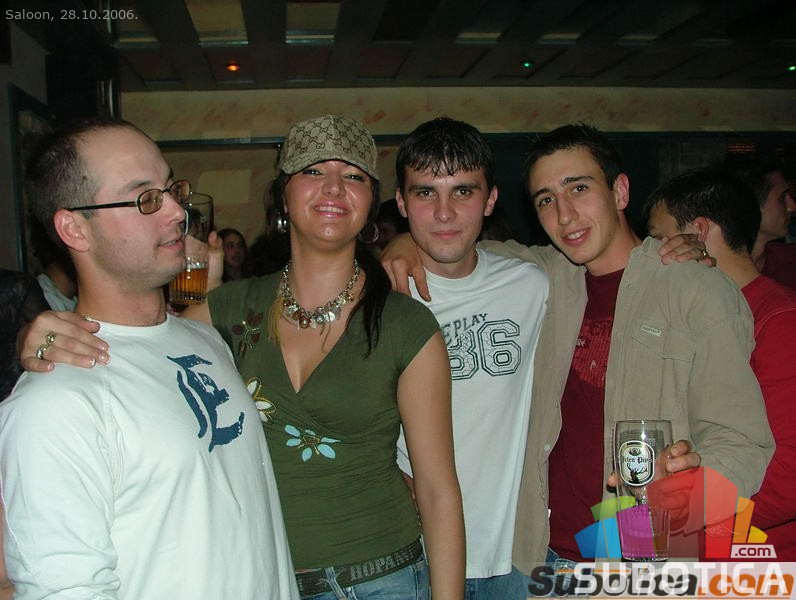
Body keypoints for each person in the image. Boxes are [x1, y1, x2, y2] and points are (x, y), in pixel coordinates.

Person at [20, 115, 465, 599]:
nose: (335, 187)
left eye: (354, 176)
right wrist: (39, 332)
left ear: (372, 203)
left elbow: (438, 490)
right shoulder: (225, 315)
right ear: (283, 197)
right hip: (270, 578)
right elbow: (140, 341)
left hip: (383, 577)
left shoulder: (402, 322)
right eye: (313, 171)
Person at [383, 124, 772, 594]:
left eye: (579, 189)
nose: (565, 215)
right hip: (537, 559)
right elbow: (457, 246)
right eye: (546, 200)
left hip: (635, 566)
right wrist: (401, 244)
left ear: (620, 191)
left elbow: (743, 443)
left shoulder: (695, 289)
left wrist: (684, 501)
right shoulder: (548, 276)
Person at [1, 118, 298, 599]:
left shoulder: (205, 340)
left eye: (172, 189)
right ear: (74, 228)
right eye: (145, 199)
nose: (178, 212)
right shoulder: (54, 400)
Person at [393, 117, 548, 598]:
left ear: (491, 199)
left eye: (462, 191)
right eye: (425, 193)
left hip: (516, 558)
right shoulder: (378, 301)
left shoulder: (532, 286)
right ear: (401, 203)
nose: (444, 213)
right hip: (410, 557)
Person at [646, 165, 796, 560]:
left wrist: (671, 522)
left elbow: (788, 476)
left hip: (756, 564)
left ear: (697, 233)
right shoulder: (696, 315)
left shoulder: (781, 321)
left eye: (659, 240)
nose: (651, 255)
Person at [726, 155, 796, 289]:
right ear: (752, 204)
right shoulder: (711, 267)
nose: (792, 207)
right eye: (782, 197)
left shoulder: (789, 260)